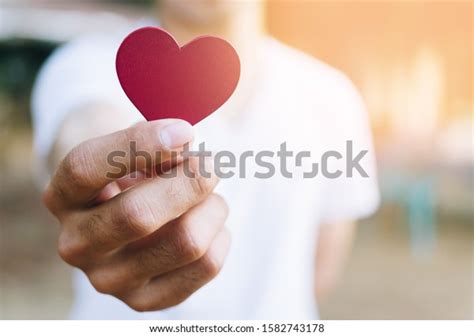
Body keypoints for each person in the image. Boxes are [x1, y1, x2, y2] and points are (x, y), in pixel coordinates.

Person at [32, 1, 379, 319]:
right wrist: (106, 178)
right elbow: (84, 126)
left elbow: (319, 272)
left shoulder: (333, 98)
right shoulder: (84, 64)